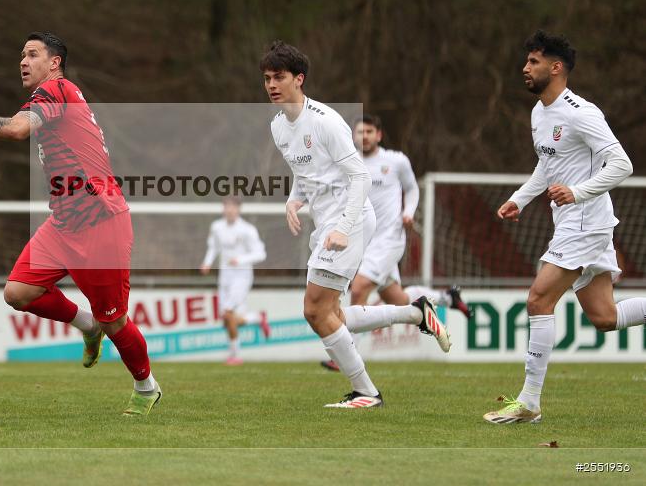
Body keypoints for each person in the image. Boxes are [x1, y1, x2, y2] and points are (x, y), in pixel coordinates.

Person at [0, 32, 161, 416]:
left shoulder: (57, 89)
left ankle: (146, 386)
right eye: (22, 54)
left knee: (116, 321)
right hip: (64, 222)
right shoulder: (51, 96)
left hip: (101, 221)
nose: (23, 61)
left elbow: (17, 129)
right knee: (18, 293)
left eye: (33, 54)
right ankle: (87, 325)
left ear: (54, 63)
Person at [263, 40, 451, 409]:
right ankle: (417, 312)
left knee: (315, 310)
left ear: (299, 79)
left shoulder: (326, 121)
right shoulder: (278, 127)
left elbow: (360, 177)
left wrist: (343, 228)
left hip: (350, 220)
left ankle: (367, 392)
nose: (271, 85)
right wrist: (293, 199)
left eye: (279, 77)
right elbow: (304, 171)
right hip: (327, 224)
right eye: (267, 78)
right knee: (331, 313)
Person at [485, 30, 645, 424]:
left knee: (538, 300)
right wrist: (520, 199)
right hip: (576, 222)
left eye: (534, 61)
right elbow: (547, 165)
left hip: (586, 222)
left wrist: (577, 192)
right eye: (527, 60)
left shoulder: (581, 113)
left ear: (556, 68)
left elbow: (622, 164)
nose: (525, 68)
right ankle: (530, 403)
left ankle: (529, 402)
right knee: (605, 318)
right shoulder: (539, 113)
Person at [349, 114, 471, 315]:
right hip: (363, 243)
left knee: (358, 289)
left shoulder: (396, 161)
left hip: (389, 239)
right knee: (398, 299)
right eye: (360, 132)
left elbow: (412, 189)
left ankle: (349, 337)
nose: (365, 136)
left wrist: (408, 212)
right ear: (353, 136)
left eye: (369, 132)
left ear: (379, 135)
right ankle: (448, 298)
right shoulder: (348, 163)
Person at [200, 196, 271, 365]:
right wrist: (207, 262)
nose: (229, 210)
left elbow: (261, 254)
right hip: (225, 277)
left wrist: (240, 259)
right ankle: (257, 318)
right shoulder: (217, 227)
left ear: (239, 209)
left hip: (242, 277)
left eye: (232, 207)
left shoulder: (247, 229)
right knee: (226, 319)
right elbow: (213, 248)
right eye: (226, 206)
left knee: (228, 313)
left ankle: (235, 355)